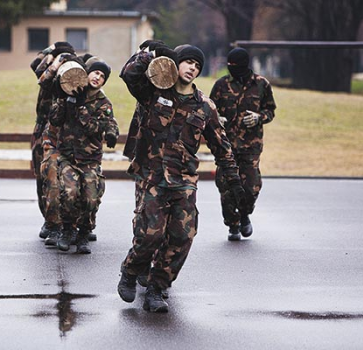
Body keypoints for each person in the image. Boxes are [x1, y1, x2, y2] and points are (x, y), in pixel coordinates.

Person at [117, 42, 244, 312]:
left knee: (182, 235)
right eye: (187, 62)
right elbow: (129, 74)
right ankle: (130, 272)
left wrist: (233, 179)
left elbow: (221, 146)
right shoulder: (153, 92)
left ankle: (157, 287)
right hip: (152, 176)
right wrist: (150, 54)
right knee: (150, 235)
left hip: (183, 180)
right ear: (176, 64)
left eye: (197, 66)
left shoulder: (205, 107)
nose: (192, 68)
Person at [48, 59, 119, 254]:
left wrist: (81, 109)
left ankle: (84, 234)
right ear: (85, 74)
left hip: (90, 160)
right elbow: (54, 120)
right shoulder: (69, 95)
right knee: (69, 194)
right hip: (68, 157)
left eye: (102, 76)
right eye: (95, 73)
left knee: (91, 198)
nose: (98, 77)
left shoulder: (103, 103)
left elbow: (97, 128)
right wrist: (61, 98)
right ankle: (67, 230)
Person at [209, 47, 277, 241]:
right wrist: (217, 118)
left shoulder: (261, 84)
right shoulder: (221, 85)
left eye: (236, 66)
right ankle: (233, 224)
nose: (232, 69)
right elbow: (209, 109)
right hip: (226, 146)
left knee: (252, 186)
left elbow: (270, 110)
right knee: (226, 187)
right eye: (229, 66)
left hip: (250, 146)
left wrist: (259, 117)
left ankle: (245, 214)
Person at [30, 42, 75, 241]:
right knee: (43, 179)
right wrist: (52, 52)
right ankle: (49, 221)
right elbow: (37, 68)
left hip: (64, 133)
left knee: (67, 182)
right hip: (42, 131)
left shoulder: (73, 71)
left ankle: (70, 225)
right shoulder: (48, 76)